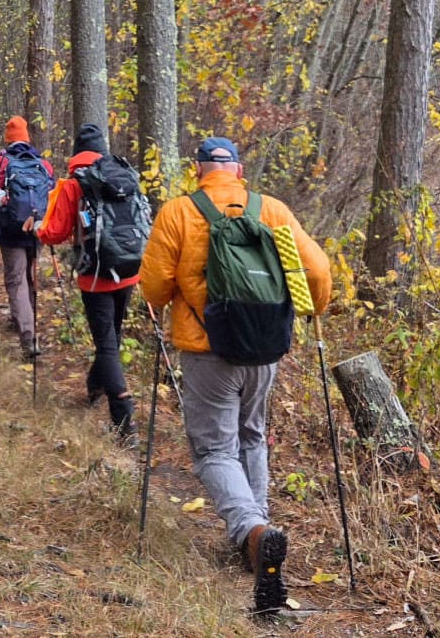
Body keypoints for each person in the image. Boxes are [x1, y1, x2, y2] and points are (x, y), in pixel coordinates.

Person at [139, 136, 331, 614]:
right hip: (265, 350)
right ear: (239, 171)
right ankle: (257, 535)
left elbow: (155, 285)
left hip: (208, 350)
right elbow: (318, 270)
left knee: (212, 449)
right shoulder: (272, 210)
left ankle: (251, 530)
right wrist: (315, 310)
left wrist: (159, 304)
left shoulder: (180, 212)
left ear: (200, 170)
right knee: (252, 435)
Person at [36, 123, 137, 441]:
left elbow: (54, 233)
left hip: (95, 277)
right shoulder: (124, 175)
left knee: (106, 342)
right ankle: (95, 386)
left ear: (76, 153)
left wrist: (39, 225)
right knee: (112, 337)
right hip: (130, 269)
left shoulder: (73, 184)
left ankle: (123, 420)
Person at [0, 116, 54, 356]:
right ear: (27, 138)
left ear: (8, 139)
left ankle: (28, 337)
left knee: (16, 279)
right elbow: (52, 196)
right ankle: (21, 318)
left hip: (10, 229)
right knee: (29, 277)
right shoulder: (44, 165)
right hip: (37, 228)